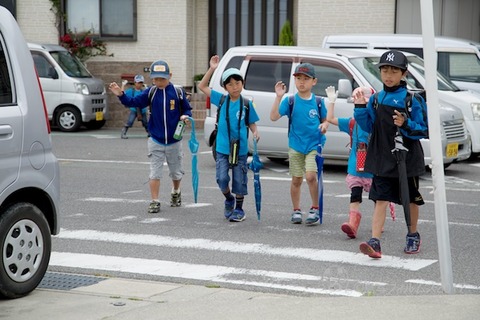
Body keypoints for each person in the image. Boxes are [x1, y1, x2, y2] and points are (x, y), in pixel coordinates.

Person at [353, 50, 428, 259]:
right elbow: (369, 127)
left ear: (404, 73)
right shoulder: (376, 99)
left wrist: (405, 124)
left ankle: (412, 235)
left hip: (407, 159)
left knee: (410, 199)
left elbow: (423, 129)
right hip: (382, 156)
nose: (388, 74)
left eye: (394, 70)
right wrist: (359, 108)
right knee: (380, 199)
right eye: (385, 69)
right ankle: (375, 242)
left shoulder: (413, 99)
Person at [109, 60, 193, 213]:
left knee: (176, 172)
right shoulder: (151, 92)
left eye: (162, 78)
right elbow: (133, 101)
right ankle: (155, 201)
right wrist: (120, 95)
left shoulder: (178, 92)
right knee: (155, 172)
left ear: (170, 76)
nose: (159, 82)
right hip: (155, 140)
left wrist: (185, 117)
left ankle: (176, 191)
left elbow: (187, 110)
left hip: (174, 140)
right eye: (156, 79)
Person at [197, 55, 260, 222]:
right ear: (225, 87)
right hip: (223, 148)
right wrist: (212, 68)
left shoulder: (247, 103)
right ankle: (229, 199)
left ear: (242, 84)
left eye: (237, 83)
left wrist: (255, 131)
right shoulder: (221, 99)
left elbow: (252, 122)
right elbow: (201, 86)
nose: (234, 87)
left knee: (240, 180)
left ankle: (239, 208)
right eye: (230, 84)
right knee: (222, 178)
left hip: (240, 149)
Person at [270, 63, 329, 225]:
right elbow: (273, 117)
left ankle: (315, 208)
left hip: (314, 145)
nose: (302, 82)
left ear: (314, 81)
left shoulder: (318, 101)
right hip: (295, 145)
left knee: (310, 176)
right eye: (298, 78)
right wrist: (278, 96)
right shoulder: (290, 101)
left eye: (306, 79)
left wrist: (324, 126)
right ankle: (296, 210)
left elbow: (326, 120)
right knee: (296, 179)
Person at [326, 85, 374, 238]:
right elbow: (330, 119)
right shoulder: (352, 123)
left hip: (374, 169)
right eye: (359, 102)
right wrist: (332, 101)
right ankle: (353, 223)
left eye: (366, 103)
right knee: (355, 194)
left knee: (378, 197)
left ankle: (377, 224)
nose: (363, 106)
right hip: (356, 168)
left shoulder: (377, 123)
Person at [120, 75, 148, 139]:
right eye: (138, 83)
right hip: (134, 109)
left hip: (142, 110)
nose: (139, 84)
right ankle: (123, 132)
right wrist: (123, 85)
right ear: (135, 83)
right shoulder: (131, 91)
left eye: (141, 83)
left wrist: (147, 89)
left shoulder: (143, 91)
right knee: (130, 122)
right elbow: (122, 94)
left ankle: (150, 133)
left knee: (146, 123)